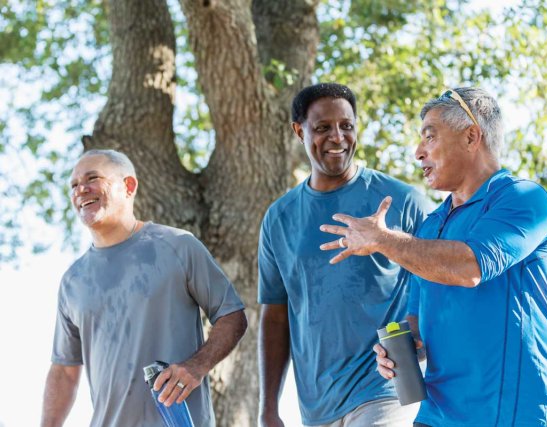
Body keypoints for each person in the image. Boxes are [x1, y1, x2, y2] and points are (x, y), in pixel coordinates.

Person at [320, 87, 547, 427]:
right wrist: (401, 349)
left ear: (471, 136)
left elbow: (469, 267)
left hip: (515, 414)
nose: (418, 152)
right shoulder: (430, 225)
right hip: (437, 416)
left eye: (430, 137)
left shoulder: (523, 199)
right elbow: (418, 323)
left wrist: (382, 239)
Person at [258, 83, 431, 427]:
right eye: (323, 128)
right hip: (317, 406)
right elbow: (275, 316)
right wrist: (269, 409)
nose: (337, 137)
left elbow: (441, 286)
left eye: (346, 126)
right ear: (299, 131)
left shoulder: (401, 201)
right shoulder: (279, 218)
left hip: (391, 388)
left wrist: (423, 346)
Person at [41, 149, 247, 427]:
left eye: (92, 178)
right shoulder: (72, 281)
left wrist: (196, 367)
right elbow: (65, 371)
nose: (81, 189)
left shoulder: (178, 246)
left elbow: (232, 315)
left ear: (128, 186)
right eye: (74, 185)